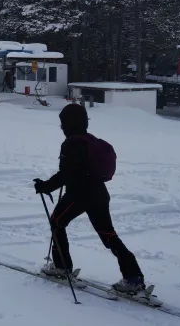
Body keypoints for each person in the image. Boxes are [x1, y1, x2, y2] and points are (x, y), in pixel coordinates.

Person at [33, 103, 146, 295]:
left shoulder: (72, 143)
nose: (62, 128)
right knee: (109, 235)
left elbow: (66, 174)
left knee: (57, 222)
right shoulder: (90, 140)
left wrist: (44, 187)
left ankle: (62, 267)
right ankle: (133, 278)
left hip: (80, 194)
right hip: (99, 193)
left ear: (69, 123)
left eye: (63, 124)